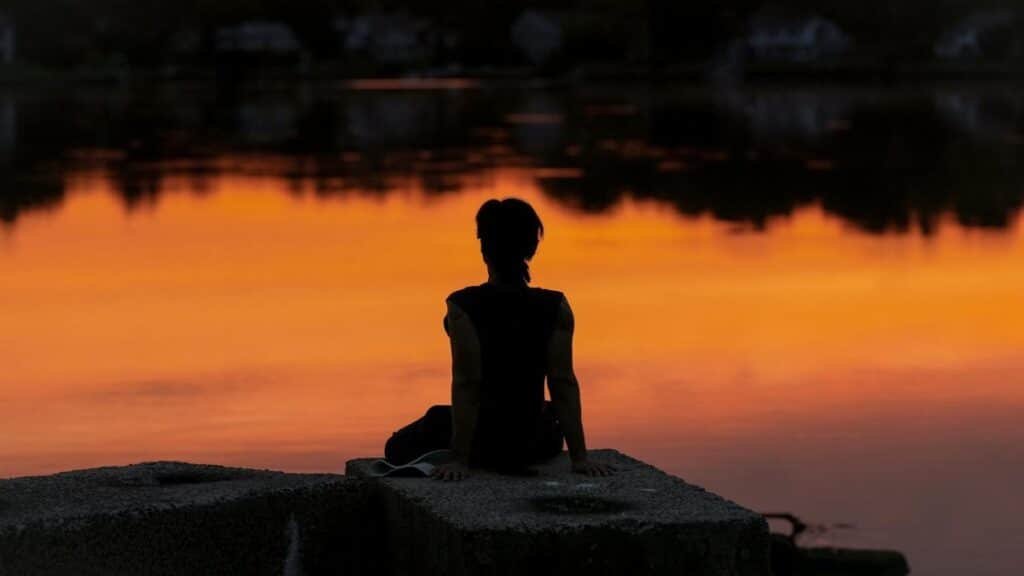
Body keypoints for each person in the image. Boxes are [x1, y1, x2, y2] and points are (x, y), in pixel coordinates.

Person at [384, 198, 614, 481]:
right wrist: (579, 457)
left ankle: (464, 451)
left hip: (484, 440)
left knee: (397, 445)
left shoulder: (462, 306)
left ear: (484, 248)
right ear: (531, 247)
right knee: (546, 414)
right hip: (538, 440)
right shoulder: (556, 306)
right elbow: (562, 381)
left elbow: (468, 383)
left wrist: (459, 460)